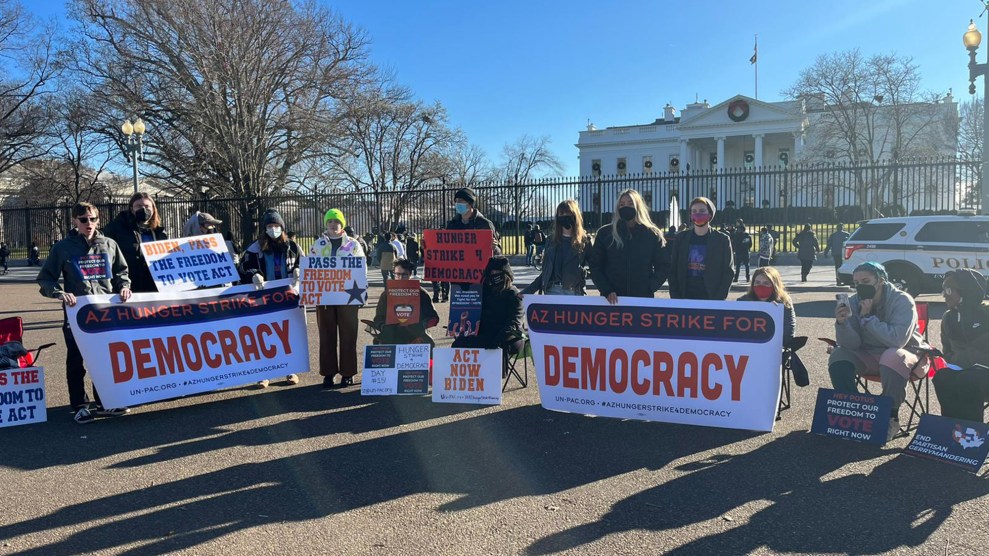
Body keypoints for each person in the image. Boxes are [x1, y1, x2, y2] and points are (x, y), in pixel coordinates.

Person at [37, 202, 132, 424]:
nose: (88, 223)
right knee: (76, 359)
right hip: (77, 313)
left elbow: (121, 271)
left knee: (106, 359)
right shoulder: (63, 248)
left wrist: (124, 286)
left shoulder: (109, 244)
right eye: (83, 220)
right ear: (75, 221)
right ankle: (80, 405)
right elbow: (46, 278)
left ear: (98, 220)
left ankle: (105, 401)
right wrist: (59, 293)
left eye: (92, 219)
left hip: (104, 313)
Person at [827, 262, 930, 441]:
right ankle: (855, 412)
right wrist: (842, 324)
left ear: (881, 281)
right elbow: (850, 345)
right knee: (838, 355)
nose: (860, 286)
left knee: (892, 355)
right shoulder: (853, 302)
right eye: (856, 283)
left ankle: (890, 417)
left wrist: (867, 318)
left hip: (907, 355)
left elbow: (897, 341)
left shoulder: (902, 300)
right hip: (869, 354)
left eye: (866, 281)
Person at [241, 209, 303, 388]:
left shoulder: (293, 247)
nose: (273, 229)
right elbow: (243, 268)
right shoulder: (254, 249)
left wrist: (299, 270)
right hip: (264, 298)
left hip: (287, 297)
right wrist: (254, 274)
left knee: (288, 335)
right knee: (264, 336)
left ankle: (290, 369)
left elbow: (304, 262)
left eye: (276, 225)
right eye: (270, 225)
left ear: (282, 227)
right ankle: (264, 373)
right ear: (264, 228)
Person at [311, 209, 366, 389]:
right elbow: (310, 267)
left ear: (342, 224)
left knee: (348, 335)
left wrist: (362, 292)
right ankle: (328, 373)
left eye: (337, 221)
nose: (333, 225)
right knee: (326, 336)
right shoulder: (318, 244)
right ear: (325, 224)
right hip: (325, 296)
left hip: (348, 296)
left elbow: (362, 268)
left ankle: (348, 373)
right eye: (330, 221)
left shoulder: (354, 244)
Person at [588, 189, 668, 304]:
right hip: (612, 301)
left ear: (638, 206)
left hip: (642, 300)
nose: (626, 207)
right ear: (617, 208)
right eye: (622, 204)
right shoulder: (605, 233)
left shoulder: (652, 234)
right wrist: (606, 290)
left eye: (630, 204)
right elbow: (595, 265)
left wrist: (650, 287)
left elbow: (663, 265)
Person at [932, 269, 989, 422]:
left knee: (968, 379)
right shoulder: (948, 318)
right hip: (963, 371)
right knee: (942, 377)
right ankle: (951, 427)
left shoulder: (986, 314)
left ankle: (972, 431)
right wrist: (954, 361)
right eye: (943, 290)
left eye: (949, 290)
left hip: (984, 372)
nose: (945, 295)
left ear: (966, 290)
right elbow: (947, 350)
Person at [452, 257, 525, 355]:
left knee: (501, 345)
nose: (494, 275)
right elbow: (467, 291)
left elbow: (514, 322)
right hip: (487, 333)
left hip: (509, 335)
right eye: (491, 273)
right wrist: (463, 287)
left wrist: (498, 339)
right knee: (459, 343)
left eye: (497, 272)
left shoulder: (513, 294)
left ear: (506, 274)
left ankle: (500, 364)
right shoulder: (486, 291)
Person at [668, 196, 734, 300]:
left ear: (710, 214)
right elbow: (673, 269)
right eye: (694, 211)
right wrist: (675, 296)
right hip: (684, 295)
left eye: (702, 211)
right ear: (691, 215)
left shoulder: (722, 240)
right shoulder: (681, 238)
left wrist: (719, 298)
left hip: (711, 296)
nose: (698, 214)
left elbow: (728, 272)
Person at [102, 192, 168, 293]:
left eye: (147, 206)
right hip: (128, 285)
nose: (143, 209)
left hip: (154, 284)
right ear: (131, 209)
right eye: (138, 206)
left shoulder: (160, 233)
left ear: (154, 209)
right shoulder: (117, 228)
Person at [523, 199, 591, 296]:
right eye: (561, 213)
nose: (565, 216)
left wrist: (583, 273)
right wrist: (528, 291)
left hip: (575, 292)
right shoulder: (551, 241)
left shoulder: (585, 241)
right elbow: (546, 273)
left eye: (568, 213)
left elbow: (596, 268)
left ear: (575, 215)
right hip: (552, 291)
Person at [371, 258, 440, 346]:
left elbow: (433, 318)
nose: (400, 278)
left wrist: (420, 325)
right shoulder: (386, 295)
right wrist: (384, 327)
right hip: (391, 336)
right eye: (397, 274)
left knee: (428, 345)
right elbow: (378, 318)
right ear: (394, 274)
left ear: (410, 274)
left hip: (416, 336)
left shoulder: (421, 293)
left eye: (404, 275)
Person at [737, 266, 796, 343]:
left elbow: (789, 327)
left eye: (766, 283)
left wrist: (780, 345)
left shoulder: (784, 301)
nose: (761, 286)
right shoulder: (743, 301)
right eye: (757, 282)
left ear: (774, 285)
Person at [447, 187, 501, 255]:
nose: (457, 203)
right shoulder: (452, 224)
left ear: (470, 203)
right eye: (456, 201)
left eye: (461, 200)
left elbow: (499, 253)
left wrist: (494, 248)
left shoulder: (484, 224)